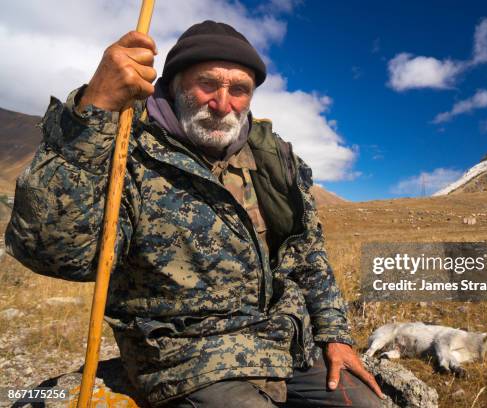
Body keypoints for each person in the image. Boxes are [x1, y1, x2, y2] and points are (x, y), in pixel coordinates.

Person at [5, 20, 385, 407]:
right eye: (207, 84)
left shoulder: (273, 161)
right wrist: (95, 110)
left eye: (239, 90)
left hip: (281, 343)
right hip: (185, 358)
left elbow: (307, 257)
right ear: (173, 84)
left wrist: (335, 335)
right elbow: (55, 252)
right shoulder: (127, 148)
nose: (223, 104)